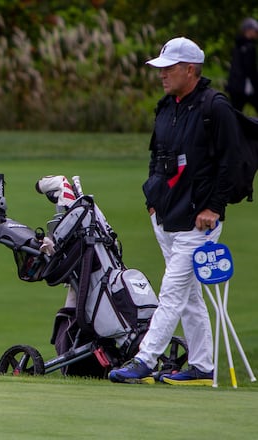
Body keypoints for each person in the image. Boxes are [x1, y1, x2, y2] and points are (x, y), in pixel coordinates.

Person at [108, 37, 239, 385]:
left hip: (200, 221)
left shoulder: (215, 107)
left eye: (169, 68)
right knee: (190, 296)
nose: (162, 75)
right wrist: (152, 199)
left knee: (172, 291)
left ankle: (145, 360)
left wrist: (214, 206)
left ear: (190, 70)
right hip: (166, 216)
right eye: (161, 68)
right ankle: (201, 366)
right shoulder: (167, 105)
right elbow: (157, 157)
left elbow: (231, 163)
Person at [226, 18, 258, 113]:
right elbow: (250, 69)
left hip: (236, 86)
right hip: (243, 86)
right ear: (248, 31)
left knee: (235, 112)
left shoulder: (238, 45)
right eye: (255, 31)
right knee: (236, 112)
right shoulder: (248, 47)